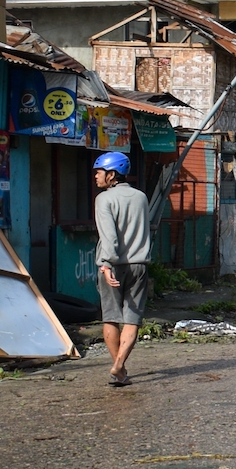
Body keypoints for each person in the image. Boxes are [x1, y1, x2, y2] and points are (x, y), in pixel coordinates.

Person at [93, 152, 150, 387]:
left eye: (98, 172)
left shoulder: (103, 199)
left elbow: (109, 237)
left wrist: (106, 264)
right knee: (132, 319)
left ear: (111, 174)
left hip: (113, 266)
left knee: (111, 317)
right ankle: (120, 365)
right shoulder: (141, 197)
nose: (96, 176)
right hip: (139, 265)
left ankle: (120, 368)